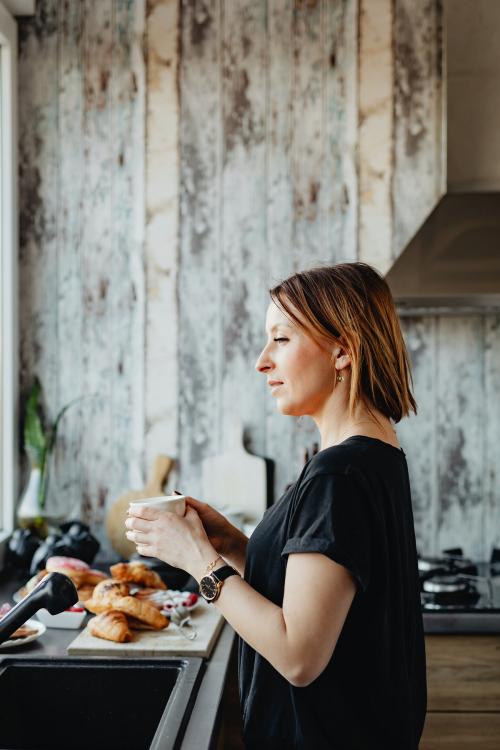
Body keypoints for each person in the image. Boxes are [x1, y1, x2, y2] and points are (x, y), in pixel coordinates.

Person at [126, 262, 427, 750]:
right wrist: (228, 543)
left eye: (281, 339)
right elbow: (321, 595)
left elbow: (299, 655)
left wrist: (197, 561)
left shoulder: (339, 476)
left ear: (343, 350)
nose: (262, 361)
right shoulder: (374, 457)